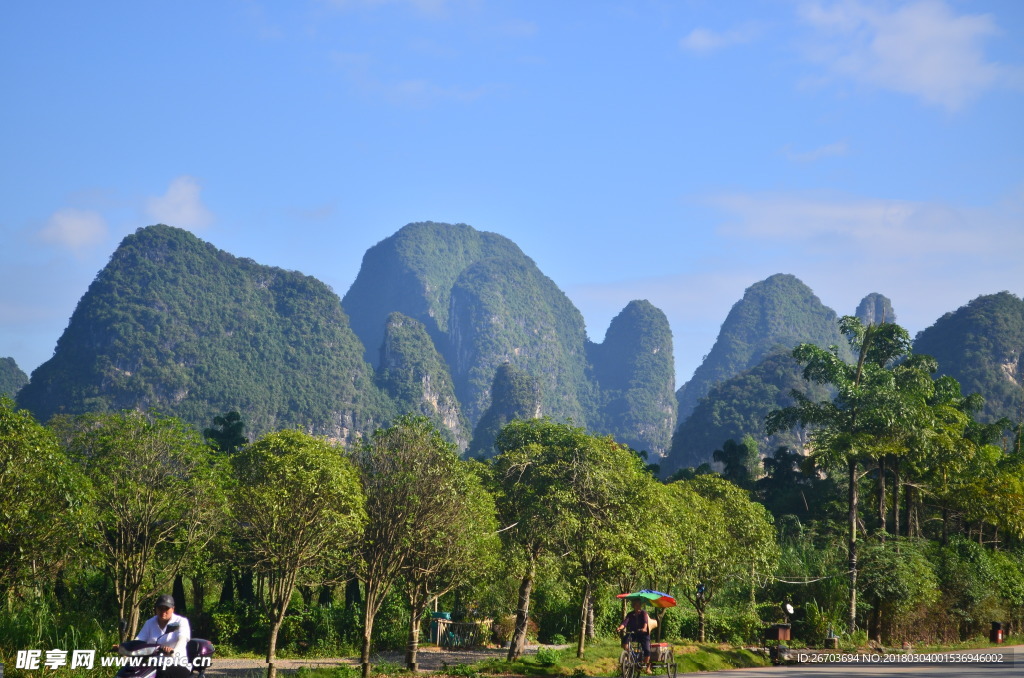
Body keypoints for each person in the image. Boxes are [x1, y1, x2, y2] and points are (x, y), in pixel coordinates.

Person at [136, 594, 192, 678]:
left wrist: (173, 651)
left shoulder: (181, 621)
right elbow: (139, 640)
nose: (163, 611)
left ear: (173, 609)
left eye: (166, 608)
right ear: (156, 609)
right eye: (160, 608)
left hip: (177, 663)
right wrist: (124, 647)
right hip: (155, 664)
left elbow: (182, 640)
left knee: (162, 673)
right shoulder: (149, 623)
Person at [616, 598, 651, 673]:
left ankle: (647, 667)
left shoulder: (643, 613)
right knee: (626, 638)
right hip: (634, 633)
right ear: (633, 606)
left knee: (647, 650)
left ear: (640, 606)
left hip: (644, 634)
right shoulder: (630, 614)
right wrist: (620, 628)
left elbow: (645, 622)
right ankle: (629, 654)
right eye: (635, 605)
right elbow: (624, 623)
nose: (637, 606)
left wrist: (644, 628)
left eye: (638, 605)